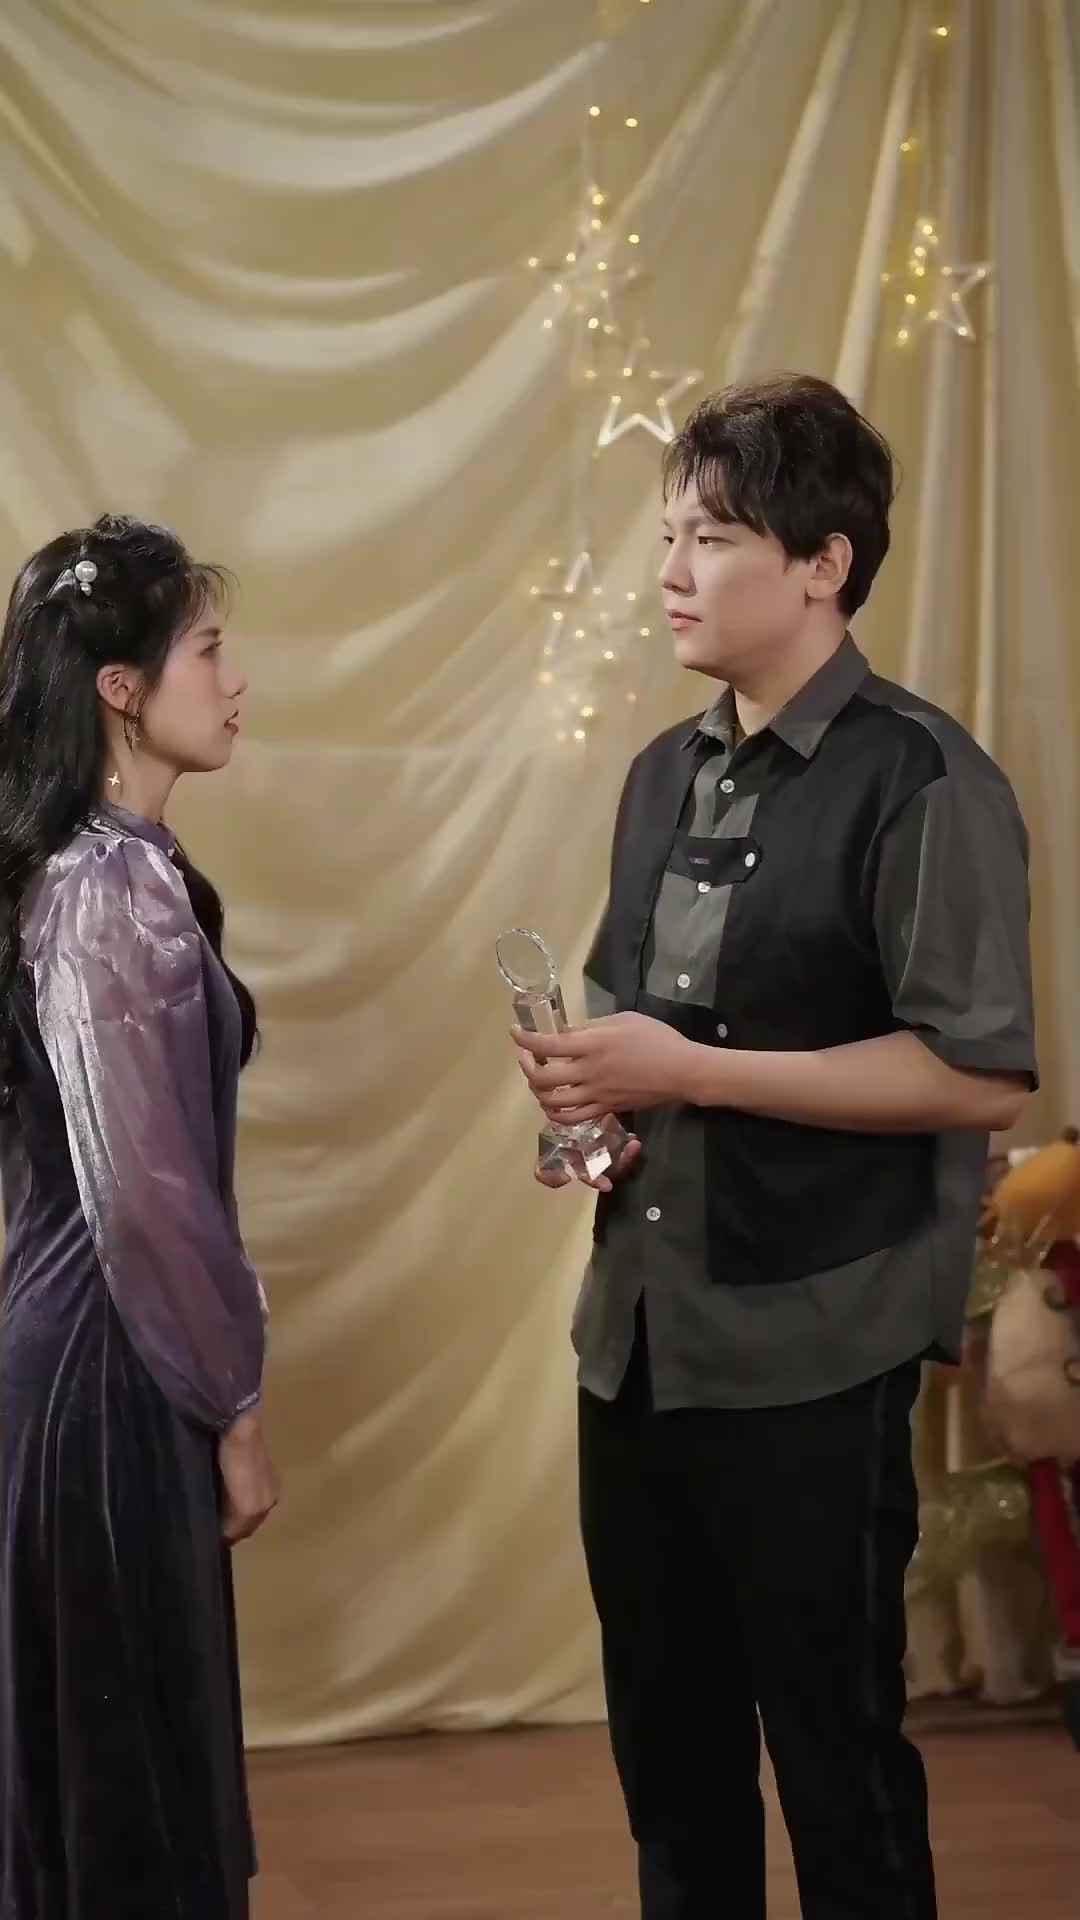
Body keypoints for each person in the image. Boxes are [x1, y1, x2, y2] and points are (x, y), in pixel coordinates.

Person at [512, 374, 1036, 1920]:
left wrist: (693, 1071)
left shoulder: (923, 778)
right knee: (669, 1770)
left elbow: (976, 1072)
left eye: (714, 536)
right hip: (637, 1340)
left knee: (836, 1763)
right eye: (670, 533)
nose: (672, 570)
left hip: (814, 1342)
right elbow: (638, 1026)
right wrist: (595, 1114)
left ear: (823, 563)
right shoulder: (658, 776)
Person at [0, 516, 278, 1919]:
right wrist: (238, 1408)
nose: (234, 682)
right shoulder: (110, 890)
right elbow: (151, 1198)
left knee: (109, 1775)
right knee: (127, 1802)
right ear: (121, 687)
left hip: (77, 1353)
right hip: (112, 1367)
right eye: (208, 652)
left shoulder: (104, 873)